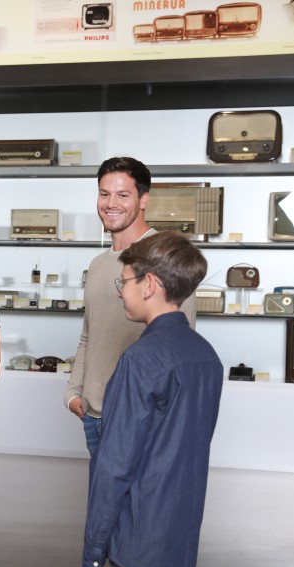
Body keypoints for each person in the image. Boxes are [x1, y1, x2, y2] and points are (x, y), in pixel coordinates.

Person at [81, 230, 223, 567]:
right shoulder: (206, 356)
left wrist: (94, 551)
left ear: (150, 285)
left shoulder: (139, 361)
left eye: (124, 281)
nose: (119, 290)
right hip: (179, 525)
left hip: (138, 530)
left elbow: (115, 465)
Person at [64, 156, 197, 456]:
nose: (111, 203)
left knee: (141, 504)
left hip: (140, 418)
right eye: (104, 193)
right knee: (104, 504)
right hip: (93, 415)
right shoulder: (97, 264)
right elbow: (89, 333)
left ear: (143, 199)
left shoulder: (165, 257)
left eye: (123, 195)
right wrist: (74, 393)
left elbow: (180, 343)